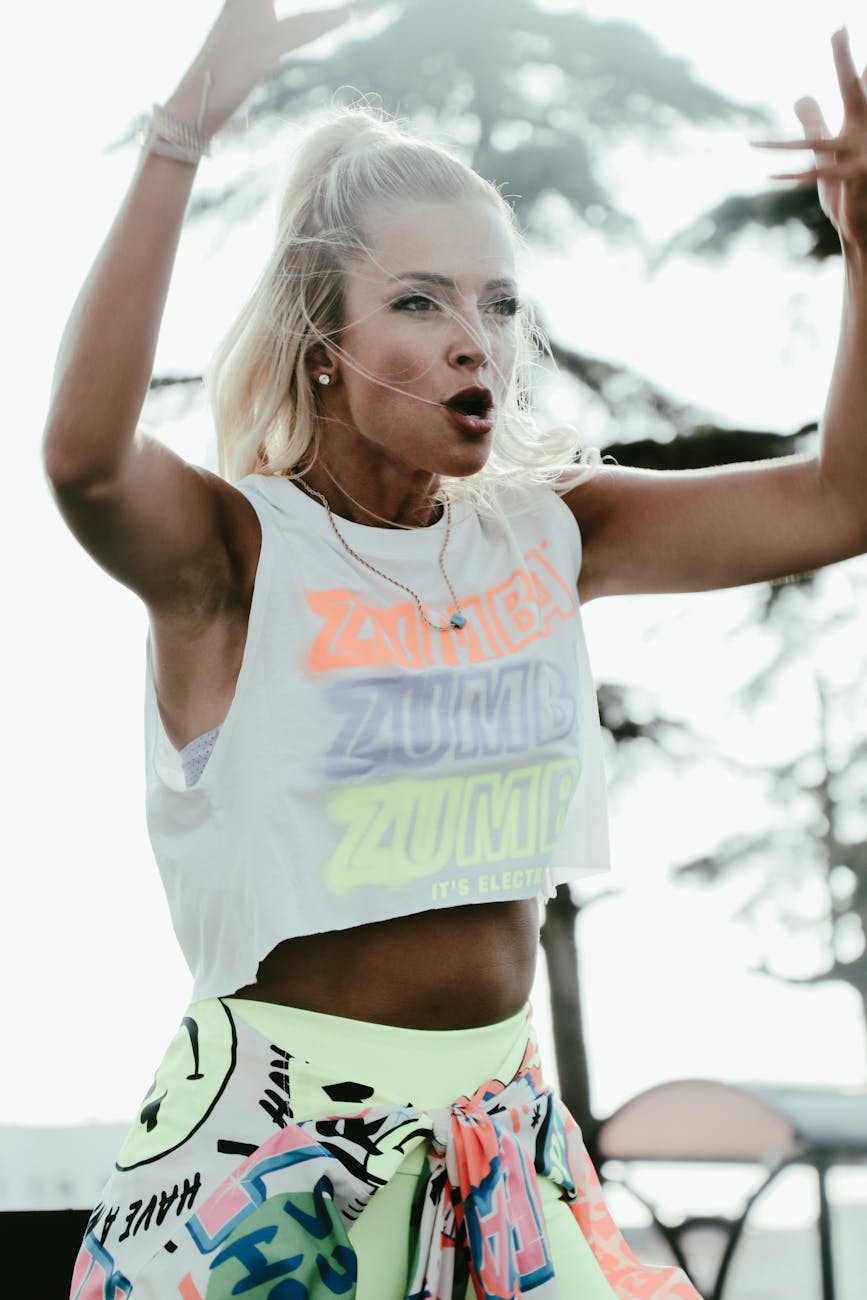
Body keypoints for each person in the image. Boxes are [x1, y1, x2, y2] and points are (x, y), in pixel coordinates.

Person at [45, 2, 867, 1296]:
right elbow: (84, 462)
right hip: (274, 1157)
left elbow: (841, 503)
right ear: (326, 342)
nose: (473, 336)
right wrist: (181, 132)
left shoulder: (550, 537)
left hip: (503, 1151)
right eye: (419, 302)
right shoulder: (235, 554)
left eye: (496, 301)